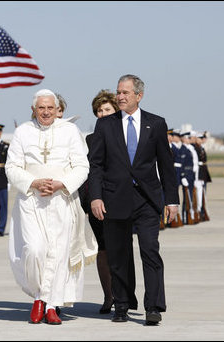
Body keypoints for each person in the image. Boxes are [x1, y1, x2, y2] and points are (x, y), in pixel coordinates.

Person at [88, 74, 179, 325]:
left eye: (125, 92)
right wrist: (96, 197)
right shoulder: (105, 125)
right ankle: (122, 304)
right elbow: (95, 165)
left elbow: (166, 165)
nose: (120, 96)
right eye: (118, 92)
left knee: (150, 251)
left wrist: (172, 200)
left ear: (139, 95)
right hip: (114, 199)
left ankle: (154, 306)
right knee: (119, 254)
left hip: (147, 199)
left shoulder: (156, 123)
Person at [6, 89, 97, 325]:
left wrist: (61, 184)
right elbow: (12, 167)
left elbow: (81, 166)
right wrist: (33, 182)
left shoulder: (69, 131)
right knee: (35, 250)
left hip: (61, 200)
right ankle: (39, 295)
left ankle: (50, 305)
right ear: (33, 110)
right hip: (31, 201)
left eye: (50, 108)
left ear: (57, 110)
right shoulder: (22, 132)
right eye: (41, 108)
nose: (45, 112)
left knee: (58, 253)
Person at [78, 89, 123, 314]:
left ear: (116, 110)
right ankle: (109, 296)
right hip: (98, 201)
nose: (102, 114)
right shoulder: (90, 139)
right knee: (103, 250)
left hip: (121, 199)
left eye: (106, 109)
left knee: (121, 249)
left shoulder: (126, 135)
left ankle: (124, 294)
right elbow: (87, 171)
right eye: (98, 111)